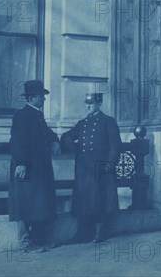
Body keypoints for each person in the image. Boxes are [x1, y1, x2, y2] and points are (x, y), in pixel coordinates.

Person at [61, 93, 122, 243]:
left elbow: (115, 145)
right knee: (83, 199)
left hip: (100, 166)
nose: (88, 106)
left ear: (99, 104)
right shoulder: (82, 123)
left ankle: (100, 231)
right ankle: (82, 232)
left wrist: (110, 163)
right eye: (87, 103)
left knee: (100, 198)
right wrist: (69, 143)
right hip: (84, 168)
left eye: (92, 103)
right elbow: (67, 136)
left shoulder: (107, 121)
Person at [8, 80, 60, 253]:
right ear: (31, 97)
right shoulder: (22, 115)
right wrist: (21, 163)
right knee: (23, 204)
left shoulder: (37, 115)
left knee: (38, 203)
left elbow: (46, 132)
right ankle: (25, 243)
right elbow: (16, 141)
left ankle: (37, 240)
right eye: (41, 96)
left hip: (38, 167)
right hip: (27, 167)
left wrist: (55, 140)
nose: (44, 99)